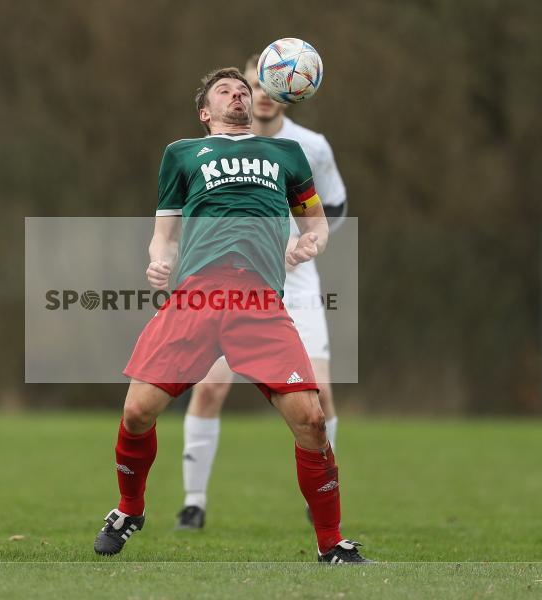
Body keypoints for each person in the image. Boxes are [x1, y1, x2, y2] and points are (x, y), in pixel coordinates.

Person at [92, 67, 369, 563]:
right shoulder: (182, 154)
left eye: (243, 89)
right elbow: (164, 233)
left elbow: (317, 223)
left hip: (260, 301)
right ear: (205, 112)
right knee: (136, 412)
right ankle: (129, 509)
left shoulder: (287, 154)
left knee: (311, 419)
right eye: (226, 91)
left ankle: (332, 543)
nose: (239, 95)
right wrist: (158, 260)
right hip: (197, 297)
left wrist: (313, 242)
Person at [176, 55, 348, 529]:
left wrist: (306, 239)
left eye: (276, 84)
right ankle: (194, 503)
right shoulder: (211, 148)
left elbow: (332, 206)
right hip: (233, 281)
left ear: (297, 89)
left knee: (321, 398)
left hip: (295, 283)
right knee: (210, 390)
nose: (265, 92)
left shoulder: (310, 146)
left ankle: (325, 497)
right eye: (257, 83)